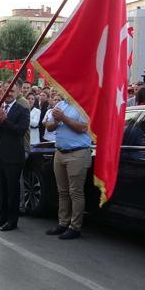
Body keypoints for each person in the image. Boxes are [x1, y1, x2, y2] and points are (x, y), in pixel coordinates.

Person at [0, 81, 30, 232]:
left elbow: (21, 131)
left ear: (17, 93)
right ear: (1, 92)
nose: (8, 94)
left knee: (12, 190)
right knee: (2, 190)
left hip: (14, 157)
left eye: (12, 91)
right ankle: (1, 218)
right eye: (5, 91)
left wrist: (4, 120)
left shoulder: (22, 109)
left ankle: (12, 221)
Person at [45, 94, 92, 240]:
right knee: (62, 191)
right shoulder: (60, 105)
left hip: (77, 153)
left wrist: (63, 118)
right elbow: (49, 126)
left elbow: (83, 128)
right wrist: (57, 120)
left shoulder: (83, 105)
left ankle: (75, 227)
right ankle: (63, 223)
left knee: (75, 192)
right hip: (60, 152)